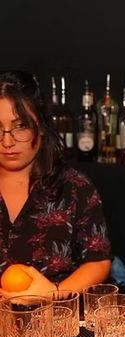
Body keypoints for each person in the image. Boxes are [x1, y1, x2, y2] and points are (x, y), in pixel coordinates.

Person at [0, 70, 111, 297]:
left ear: (40, 126)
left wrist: (54, 293)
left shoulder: (75, 187)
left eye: (20, 126)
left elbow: (97, 261)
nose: (7, 141)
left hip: (56, 321)